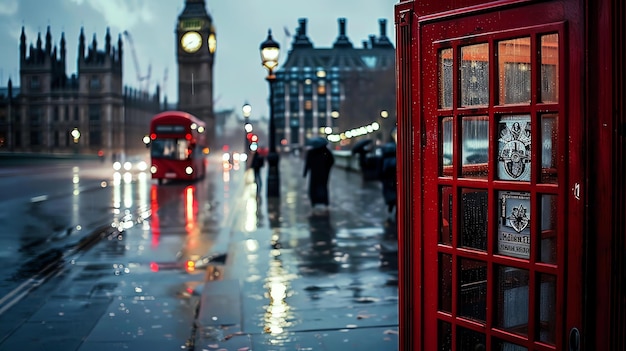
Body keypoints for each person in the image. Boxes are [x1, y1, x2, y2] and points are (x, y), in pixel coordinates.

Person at [303, 144, 335, 209]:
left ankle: (314, 201)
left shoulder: (311, 152)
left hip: (314, 173)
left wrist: (305, 173)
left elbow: (307, 163)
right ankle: (324, 201)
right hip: (324, 173)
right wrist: (327, 168)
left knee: (313, 187)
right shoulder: (326, 151)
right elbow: (331, 161)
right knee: (323, 186)